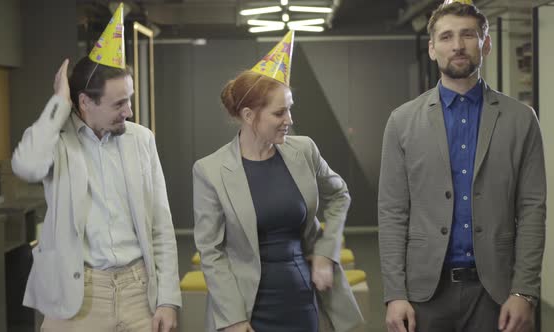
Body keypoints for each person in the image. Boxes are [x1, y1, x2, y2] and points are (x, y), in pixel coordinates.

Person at [378, 1, 546, 332]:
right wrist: (395, 293)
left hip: (497, 294)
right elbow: (392, 212)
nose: (457, 45)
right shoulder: (402, 122)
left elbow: (532, 209)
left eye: (468, 35)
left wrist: (524, 291)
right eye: (446, 37)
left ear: (485, 43)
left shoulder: (520, 119)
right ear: (432, 48)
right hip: (424, 294)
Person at [11, 4, 181, 331]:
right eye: (119, 103)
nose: (129, 111)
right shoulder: (57, 141)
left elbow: (161, 224)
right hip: (78, 295)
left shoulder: (141, 140)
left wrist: (168, 299)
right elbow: (26, 166)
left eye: (129, 99)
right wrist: (59, 101)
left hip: (138, 291)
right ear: (85, 102)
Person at [192, 31, 363, 332]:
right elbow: (212, 252)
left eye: (290, 108)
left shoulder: (304, 150)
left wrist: (326, 252)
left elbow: (339, 196)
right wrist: (232, 317)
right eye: (280, 112)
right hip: (247, 308)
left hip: (302, 298)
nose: (290, 119)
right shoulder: (210, 170)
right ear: (248, 115)